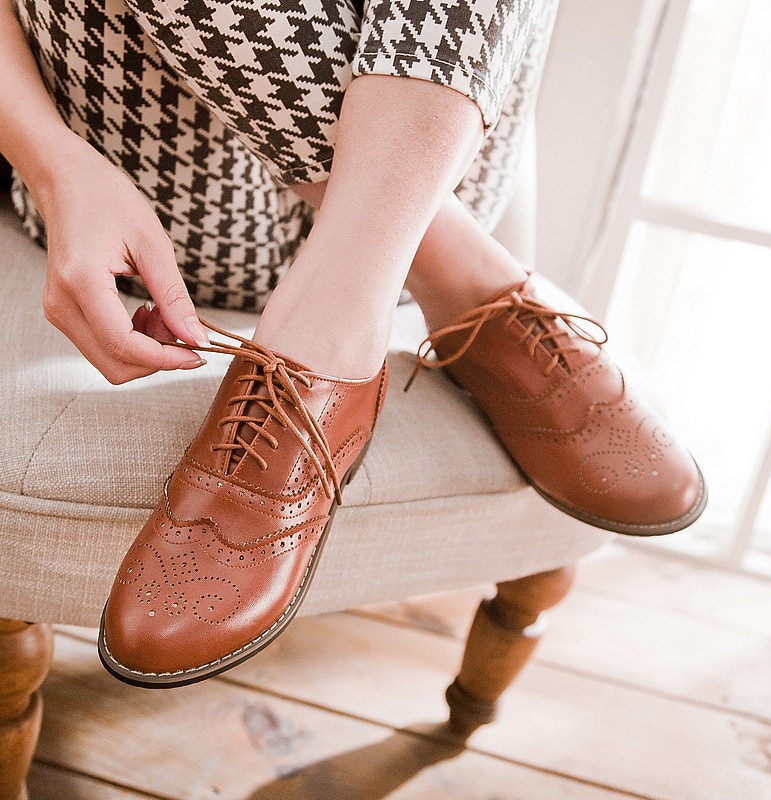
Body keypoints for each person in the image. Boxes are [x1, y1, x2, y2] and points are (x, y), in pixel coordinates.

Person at [0, 0, 706, 688]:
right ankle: (459, 274)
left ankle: (327, 329)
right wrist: (56, 167)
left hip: (449, 146)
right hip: (171, 177)